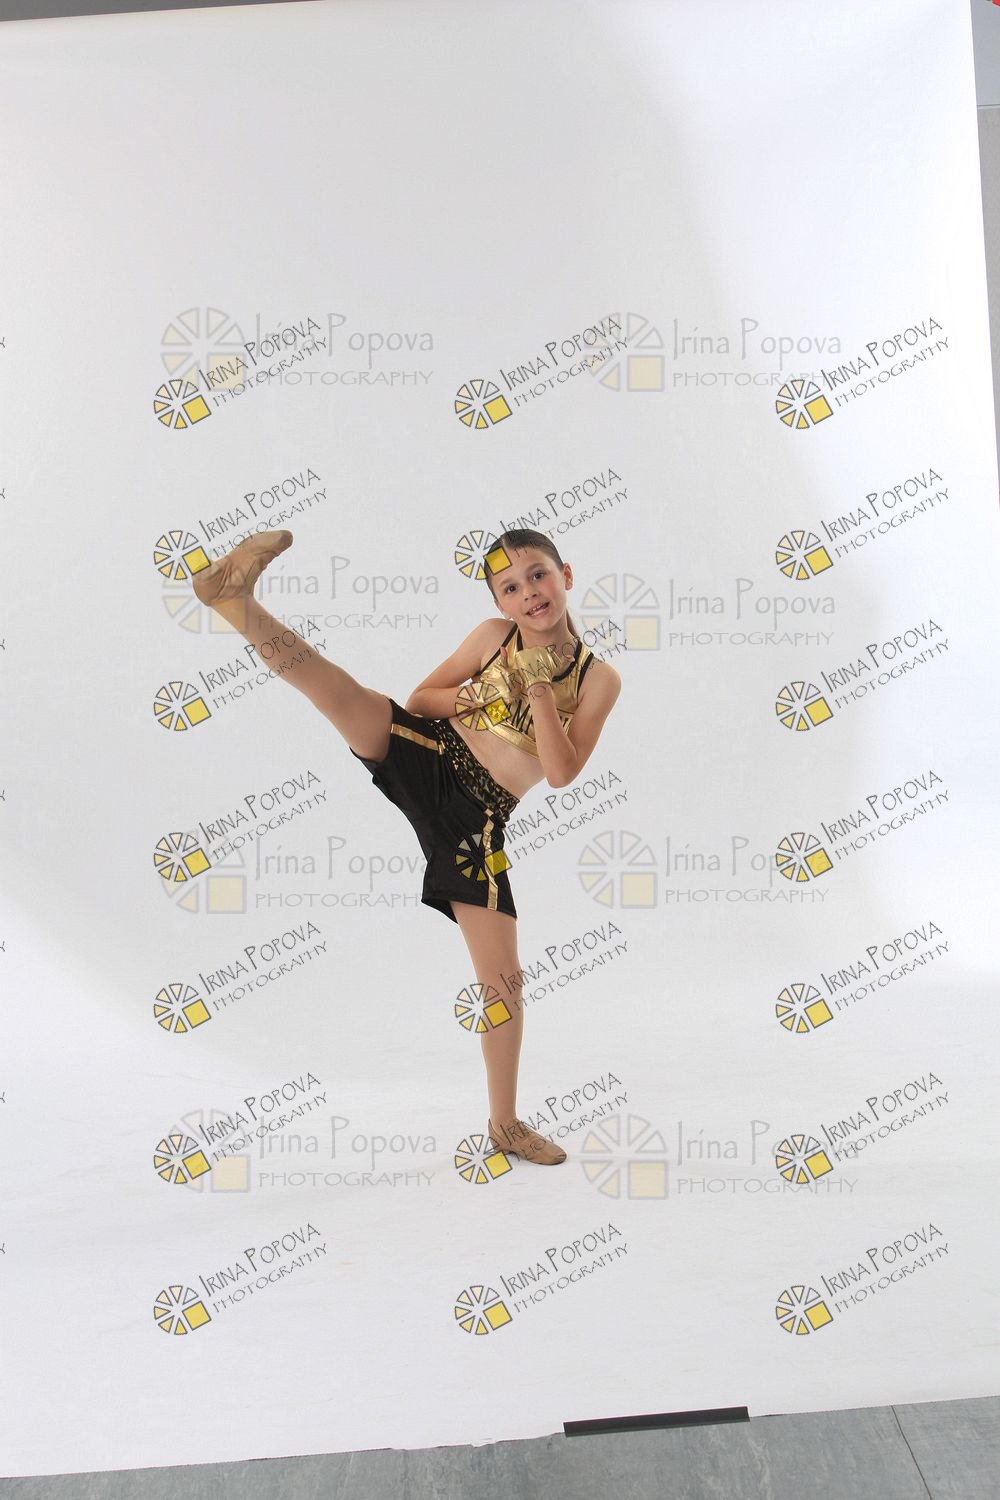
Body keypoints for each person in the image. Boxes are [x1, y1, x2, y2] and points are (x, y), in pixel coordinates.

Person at [191, 526, 622, 1166]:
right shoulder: (491, 637)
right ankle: (235, 602)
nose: (528, 592)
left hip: (478, 824)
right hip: (432, 755)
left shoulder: (598, 679)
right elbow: (424, 700)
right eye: (510, 587)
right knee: (338, 692)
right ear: (499, 603)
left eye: (538, 575)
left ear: (567, 576)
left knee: (503, 982)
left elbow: (561, 773)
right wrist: (488, 689)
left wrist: (536, 690)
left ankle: (504, 1125)